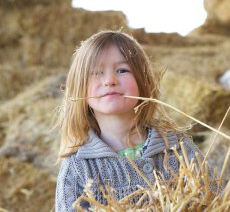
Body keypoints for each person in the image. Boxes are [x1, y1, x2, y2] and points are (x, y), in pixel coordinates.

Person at [55, 30, 203, 211]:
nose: (110, 80)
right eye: (96, 72)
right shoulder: (77, 167)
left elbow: (213, 199)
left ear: (142, 81)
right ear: (80, 90)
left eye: (122, 70)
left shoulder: (178, 149)